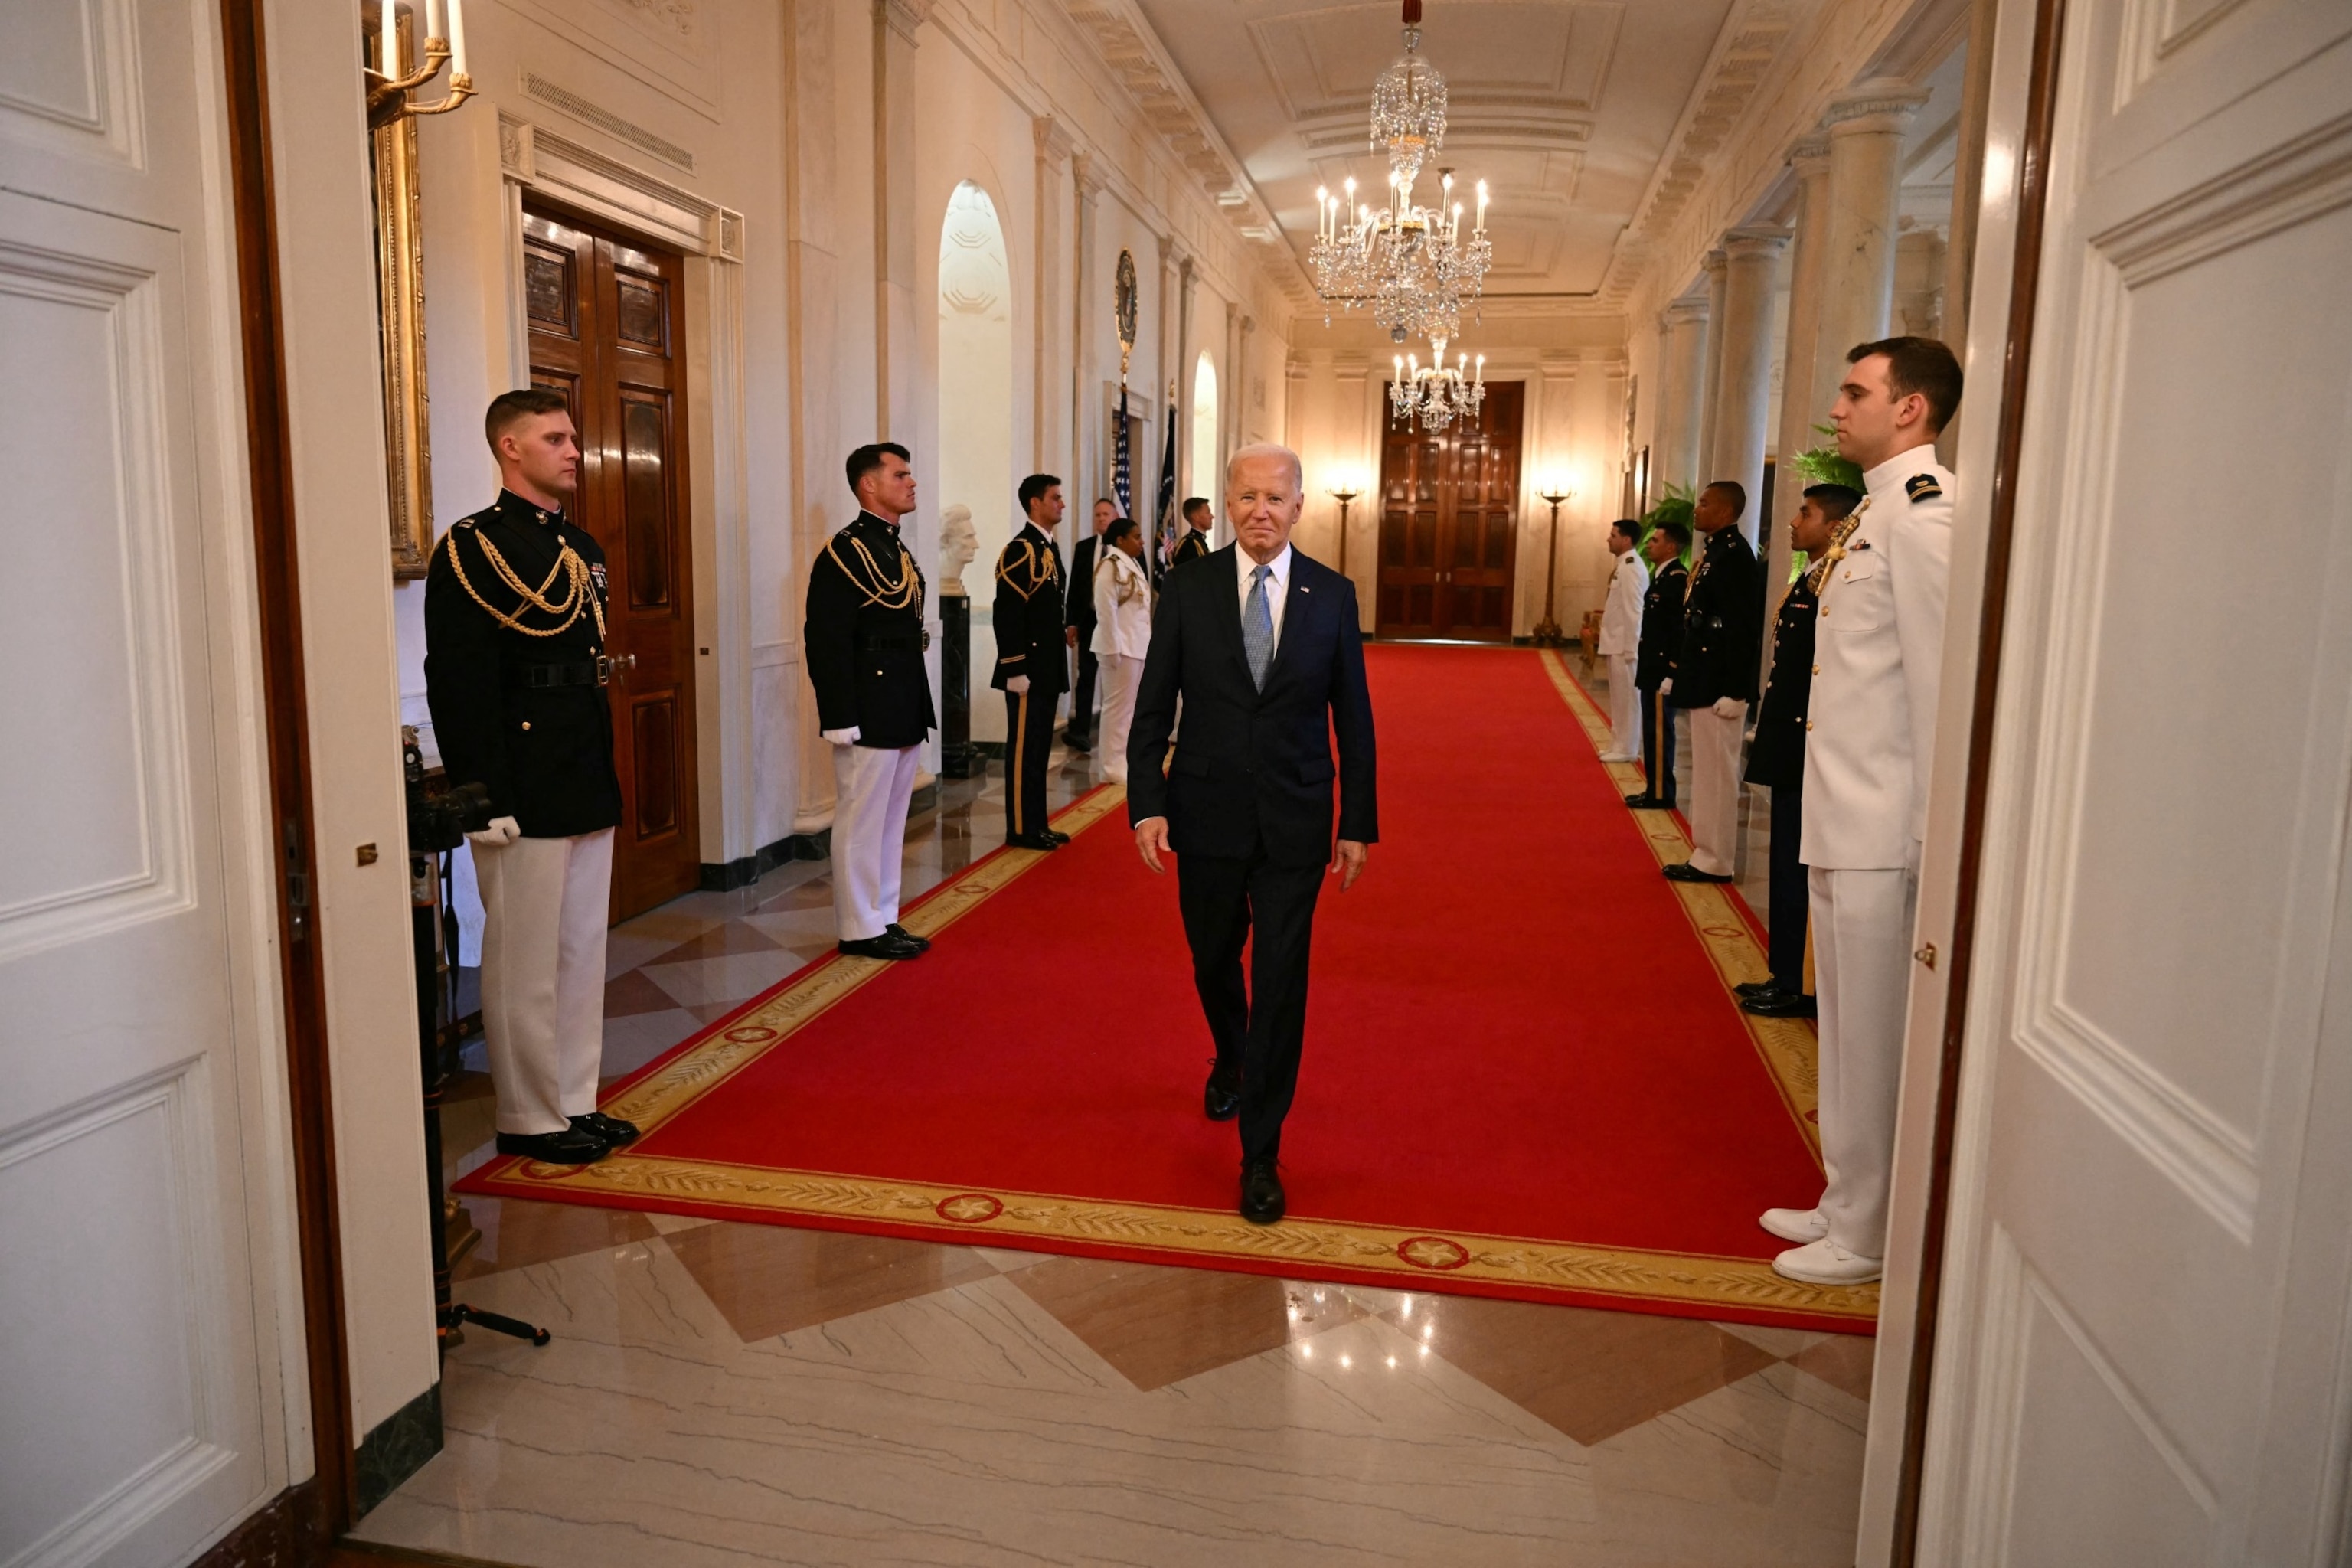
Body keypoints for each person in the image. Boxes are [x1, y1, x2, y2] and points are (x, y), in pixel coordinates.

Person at [1128, 443, 1377, 1227]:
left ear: (1299, 506)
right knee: (1211, 958)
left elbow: (1355, 717)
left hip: (1296, 820)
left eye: (1275, 497)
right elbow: (1152, 705)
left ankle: (1261, 1150)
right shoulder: (1191, 587)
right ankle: (1230, 1051)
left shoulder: (1332, 595)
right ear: (1228, 504)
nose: (1260, 510)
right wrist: (1147, 802)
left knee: (1279, 980)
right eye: (1246, 497)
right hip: (1203, 814)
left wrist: (1358, 821)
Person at [1762, 335, 1960, 1288]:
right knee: (1840, 1027)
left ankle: (1871, 1229)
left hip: (1887, 832)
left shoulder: (1925, 519)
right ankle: (1846, 1194)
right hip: (1844, 817)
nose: (1836, 411)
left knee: (1874, 1034)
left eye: (1855, 393)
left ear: (1910, 408)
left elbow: (1936, 693)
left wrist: (1930, 842)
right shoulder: (1875, 516)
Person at [424, 388, 635, 1165]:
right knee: (525, 960)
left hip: (580, 767)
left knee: (581, 950)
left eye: (573, 436)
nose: (573, 449)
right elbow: (459, 680)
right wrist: (483, 794)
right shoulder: (471, 547)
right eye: (554, 438)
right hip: (520, 777)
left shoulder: (582, 548)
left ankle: (574, 1097)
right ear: (510, 448)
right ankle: (526, 1111)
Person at [804, 442, 936, 962]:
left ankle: (883, 916)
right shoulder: (845, 550)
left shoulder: (894, 547)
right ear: (869, 485)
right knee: (861, 821)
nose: (912, 483)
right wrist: (839, 714)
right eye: (901, 475)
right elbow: (826, 638)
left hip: (901, 697)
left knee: (890, 820)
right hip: (868, 701)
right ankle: (859, 928)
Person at [1737, 484, 1860, 1020]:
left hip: (1810, 744)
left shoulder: (1836, 583)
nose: (1792, 521)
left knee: (1800, 864)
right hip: (1791, 742)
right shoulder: (1811, 578)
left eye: (1805, 514)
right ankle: (1784, 972)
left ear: (1835, 527)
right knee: (1786, 860)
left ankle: (1800, 983)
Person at [1663, 481, 1763, 884]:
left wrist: (1738, 690)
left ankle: (1717, 859)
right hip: (1703, 674)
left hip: (1720, 680)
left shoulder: (1736, 557)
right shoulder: (1716, 552)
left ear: (1725, 511)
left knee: (1718, 774)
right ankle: (1704, 851)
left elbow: (1742, 629)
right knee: (1705, 771)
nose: (1696, 509)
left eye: (1704, 503)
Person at [994, 475, 1072, 851]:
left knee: (1040, 749)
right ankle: (1021, 828)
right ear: (1035, 503)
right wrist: (1015, 667)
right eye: (1055, 498)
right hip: (1027, 669)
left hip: (1045, 666)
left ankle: (1038, 823)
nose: (1062, 504)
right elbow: (1007, 613)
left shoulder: (1048, 547)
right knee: (1025, 750)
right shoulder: (1021, 549)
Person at [1623, 521, 1690, 811]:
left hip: (1662, 671)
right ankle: (1654, 789)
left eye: (1655, 540)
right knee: (1651, 732)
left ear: (1671, 547)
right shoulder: (1662, 577)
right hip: (1652, 669)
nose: (1649, 544)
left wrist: (1672, 672)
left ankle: (1662, 794)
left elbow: (1679, 631)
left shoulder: (1677, 580)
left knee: (1661, 733)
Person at [1091, 518, 1153, 784]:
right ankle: (1110, 766)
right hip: (1119, 648)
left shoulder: (1131, 564)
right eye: (1136, 537)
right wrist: (1113, 649)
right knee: (1116, 709)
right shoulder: (1110, 567)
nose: (1141, 542)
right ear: (1120, 540)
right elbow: (1106, 613)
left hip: (1135, 646)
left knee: (1129, 710)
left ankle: (1123, 760)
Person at [1063, 498, 1116, 750]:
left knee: (1115, 676)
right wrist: (1071, 623)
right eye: (1097, 515)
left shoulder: (1126, 547)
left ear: (1115, 518)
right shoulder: (1084, 547)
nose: (1101, 519)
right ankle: (1081, 731)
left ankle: (1117, 732)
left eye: (1106, 514)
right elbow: (1075, 588)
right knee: (1086, 675)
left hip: (1116, 623)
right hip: (1090, 620)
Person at [1596, 518, 1647, 763]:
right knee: (1618, 697)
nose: (1609, 538)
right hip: (1616, 643)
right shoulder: (1623, 566)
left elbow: (1634, 611)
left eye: (1613, 534)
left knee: (1628, 698)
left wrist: (1631, 650)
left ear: (1626, 540)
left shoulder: (1631, 567)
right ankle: (1618, 742)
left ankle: (1627, 748)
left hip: (1625, 646)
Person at [1170, 496, 1215, 567]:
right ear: (1196, 517)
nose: (1212, 516)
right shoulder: (1190, 544)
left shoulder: (1199, 541)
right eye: (1208, 513)